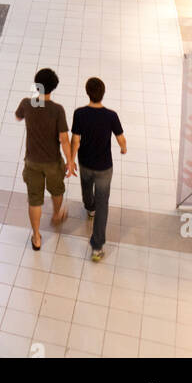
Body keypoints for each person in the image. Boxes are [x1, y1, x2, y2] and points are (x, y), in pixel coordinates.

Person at [15, 68, 72, 249]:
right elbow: (64, 139)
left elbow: (18, 116)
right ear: (54, 87)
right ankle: (56, 215)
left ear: (36, 85)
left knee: (35, 200)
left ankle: (37, 237)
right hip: (53, 162)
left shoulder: (26, 103)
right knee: (57, 191)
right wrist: (70, 161)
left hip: (32, 161)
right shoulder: (57, 110)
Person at [71, 77, 126, 262]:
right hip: (104, 167)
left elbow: (76, 140)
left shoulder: (79, 114)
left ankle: (89, 208)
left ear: (87, 92)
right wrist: (123, 148)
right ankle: (97, 247)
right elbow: (121, 139)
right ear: (103, 93)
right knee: (104, 203)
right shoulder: (111, 116)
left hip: (85, 163)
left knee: (86, 188)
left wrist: (71, 160)